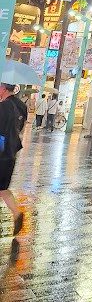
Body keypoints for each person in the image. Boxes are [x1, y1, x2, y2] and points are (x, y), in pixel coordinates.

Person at [0, 82, 28, 235]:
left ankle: (17, 213)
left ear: (3, 89)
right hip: (11, 153)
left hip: (1, 153)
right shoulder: (22, 106)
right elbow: (21, 128)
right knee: (3, 188)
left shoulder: (2, 107)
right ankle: (17, 214)